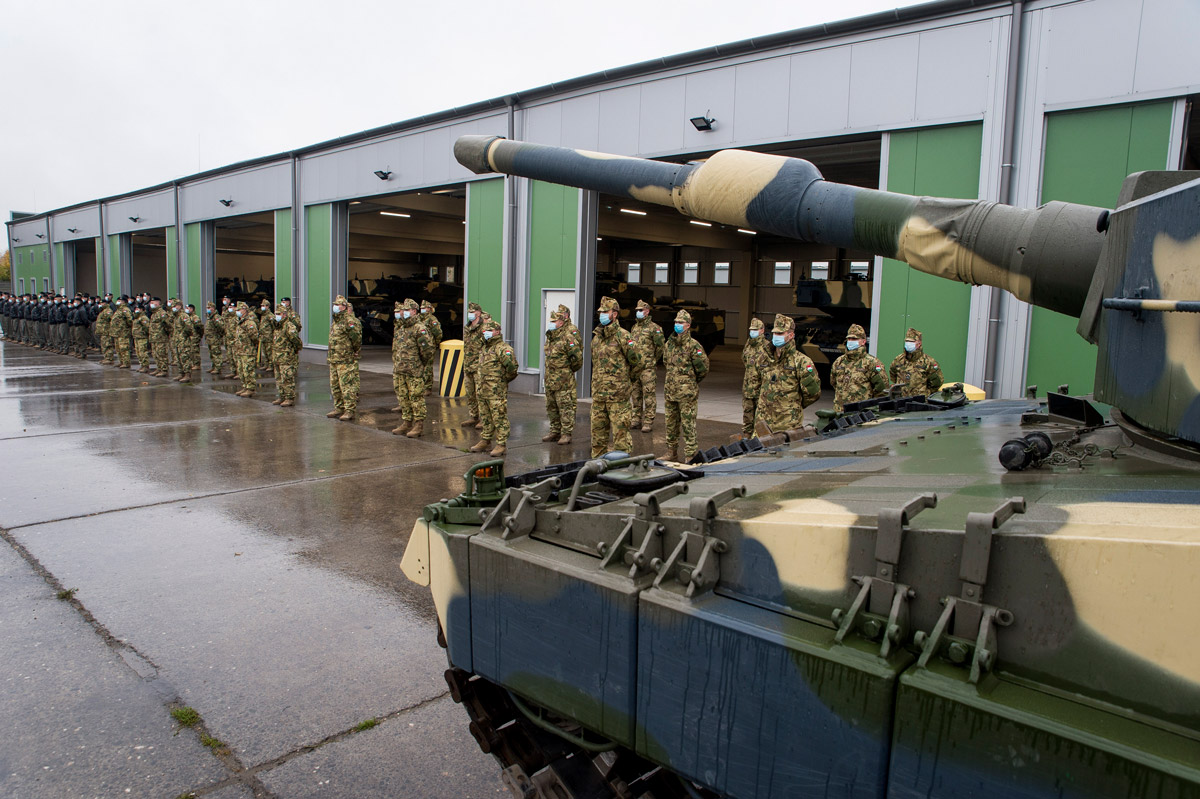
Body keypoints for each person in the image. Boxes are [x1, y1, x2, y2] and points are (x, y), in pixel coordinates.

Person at [590, 296, 642, 458]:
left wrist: (624, 382)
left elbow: (638, 363)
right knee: (597, 439)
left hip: (618, 398)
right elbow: (595, 363)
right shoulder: (597, 338)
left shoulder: (624, 336)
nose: (602, 315)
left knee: (621, 440)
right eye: (601, 312)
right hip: (599, 397)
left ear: (615, 314)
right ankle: (598, 470)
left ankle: (623, 473)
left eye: (606, 312)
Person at [757, 314, 822, 431]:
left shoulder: (801, 362)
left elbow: (813, 393)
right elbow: (757, 385)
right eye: (775, 333)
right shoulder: (764, 359)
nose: (776, 336)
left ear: (791, 335)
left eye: (780, 334)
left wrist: (792, 406)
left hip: (787, 425)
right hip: (762, 423)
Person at [662, 310, 710, 462]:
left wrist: (689, 383)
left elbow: (703, 369)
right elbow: (665, 362)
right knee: (670, 424)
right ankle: (671, 452)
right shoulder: (669, 344)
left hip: (686, 394)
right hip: (670, 392)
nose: (677, 325)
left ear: (688, 325)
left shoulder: (693, 346)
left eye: (681, 323)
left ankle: (690, 455)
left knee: (688, 425)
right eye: (676, 322)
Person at [470, 318, 518, 457]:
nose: (486, 333)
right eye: (485, 330)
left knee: (499, 417)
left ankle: (501, 444)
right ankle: (486, 440)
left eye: (489, 330)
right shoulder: (485, 347)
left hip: (495, 390)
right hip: (483, 389)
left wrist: (501, 382)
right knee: (485, 417)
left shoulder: (503, 349)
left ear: (497, 332)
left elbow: (512, 369)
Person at [390, 299, 434, 438]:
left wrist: (419, 364)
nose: (403, 313)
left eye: (407, 310)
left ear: (414, 311)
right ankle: (406, 422)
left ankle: (418, 424)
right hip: (400, 369)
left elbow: (427, 351)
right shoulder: (401, 328)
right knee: (403, 397)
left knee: (416, 398)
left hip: (414, 370)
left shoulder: (419, 328)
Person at [542, 304, 583, 445]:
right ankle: (554, 431)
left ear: (561, 322)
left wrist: (567, 371)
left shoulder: (568, 337)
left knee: (565, 407)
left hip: (564, 380)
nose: (551, 323)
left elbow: (577, 359)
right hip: (550, 379)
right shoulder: (550, 338)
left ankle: (566, 433)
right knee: (551, 406)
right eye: (551, 321)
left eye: (554, 321)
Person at [831, 323, 887, 412]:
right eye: (849, 338)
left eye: (854, 339)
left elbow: (881, 389)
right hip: (840, 412)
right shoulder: (839, 362)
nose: (851, 341)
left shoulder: (871, 363)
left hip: (861, 414)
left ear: (863, 341)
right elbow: (834, 383)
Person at [629, 299, 665, 433]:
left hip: (648, 368)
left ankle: (648, 421)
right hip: (635, 368)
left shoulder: (654, 328)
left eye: (641, 310)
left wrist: (652, 360)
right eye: (637, 310)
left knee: (649, 395)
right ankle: (636, 419)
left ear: (647, 311)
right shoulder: (635, 327)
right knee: (636, 395)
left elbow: (660, 347)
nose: (638, 312)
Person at [326, 294, 362, 421]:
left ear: (344, 307)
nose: (335, 307)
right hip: (334, 359)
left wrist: (352, 352)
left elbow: (356, 339)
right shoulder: (336, 321)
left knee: (347, 386)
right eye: (334, 305)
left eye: (337, 305)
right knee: (335, 386)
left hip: (345, 360)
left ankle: (349, 410)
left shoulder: (349, 321)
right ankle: (339, 408)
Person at [889, 327, 944, 396]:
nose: (908, 344)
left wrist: (925, 393)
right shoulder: (899, 360)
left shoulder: (928, 362)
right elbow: (893, 374)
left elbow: (937, 382)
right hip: (901, 400)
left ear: (919, 343)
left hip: (920, 402)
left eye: (911, 342)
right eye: (907, 341)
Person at [741, 318, 770, 438]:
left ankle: (760, 439)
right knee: (747, 414)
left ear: (762, 330)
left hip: (760, 389)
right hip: (748, 388)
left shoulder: (768, 346)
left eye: (755, 329)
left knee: (761, 417)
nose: (752, 332)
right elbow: (744, 359)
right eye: (751, 330)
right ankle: (747, 435)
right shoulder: (749, 344)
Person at [270, 303, 303, 406]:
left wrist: (294, 351)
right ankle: (281, 396)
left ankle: (289, 397)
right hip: (277, 356)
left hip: (286, 357)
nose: (277, 316)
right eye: (276, 314)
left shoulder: (288, 325)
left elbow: (296, 340)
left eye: (279, 314)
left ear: (284, 314)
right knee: (279, 378)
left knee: (287, 378)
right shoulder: (277, 326)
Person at [461, 302, 485, 428]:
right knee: (470, 393)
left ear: (478, 313)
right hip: (468, 365)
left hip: (479, 366)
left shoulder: (484, 328)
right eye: (469, 312)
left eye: (472, 312)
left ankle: (483, 418)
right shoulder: (467, 328)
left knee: (480, 394)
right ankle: (473, 416)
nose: (470, 314)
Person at [231, 301, 259, 397]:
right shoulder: (240, 322)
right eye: (237, 309)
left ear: (245, 310)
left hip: (248, 351)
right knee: (241, 370)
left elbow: (255, 337)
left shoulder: (249, 323)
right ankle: (245, 386)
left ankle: (251, 388)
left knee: (248, 370)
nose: (237, 311)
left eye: (239, 309)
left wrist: (250, 347)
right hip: (240, 351)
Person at [420, 299, 442, 395]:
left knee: (427, 367)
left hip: (429, 346)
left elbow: (438, 333)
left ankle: (427, 388)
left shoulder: (432, 319)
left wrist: (434, 343)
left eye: (424, 308)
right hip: (420, 346)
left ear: (429, 309)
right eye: (422, 308)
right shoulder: (418, 318)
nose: (423, 309)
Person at [109, 296, 133, 368]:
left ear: (124, 302)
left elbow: (130, 320)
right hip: (117, 333)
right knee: (118, 349)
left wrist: (126, 328)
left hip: (123, 333)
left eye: (120, 300)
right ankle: (121, 361)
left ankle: (126, 363)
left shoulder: (125, 310)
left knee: (124, 348)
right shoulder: (118, 310)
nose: (118, 301)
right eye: (118, 300)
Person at [149, 298, 171, 376]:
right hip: (154, 338)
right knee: (155, 354)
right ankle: (159, 368)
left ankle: (164, 370)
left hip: (161, 338)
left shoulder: (162, 313)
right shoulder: (154, 313)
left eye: (152, 302)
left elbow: (168, 325)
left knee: (161, 354)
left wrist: (165, 334)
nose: (150, 304)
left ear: (157, 303)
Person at [204, 302, 226, 375]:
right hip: (210, 339)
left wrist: (218, 335)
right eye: (207, 308)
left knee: (216, 353)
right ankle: (214, 366)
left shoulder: (216, 317)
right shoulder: (209, 317)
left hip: (215, 338)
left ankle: (218, 368)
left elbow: (221, 327)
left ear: (213, 308)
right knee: (212, 353)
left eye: (209, 308)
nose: (208, 309)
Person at [131, 304, 151, 372]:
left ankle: (145, 366)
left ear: (142, 309)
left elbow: (147, 327)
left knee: (143, 352)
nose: (136, 310)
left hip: (142, 337)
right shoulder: (136, 318)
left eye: (138, 309)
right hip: (136, 337)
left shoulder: (143, 318)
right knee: (138, 352)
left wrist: (144, 333)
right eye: (136, 308)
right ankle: (142, 365)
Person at [96, 298, 115, 365]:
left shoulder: (108, 311)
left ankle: (109, 358)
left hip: (106, 331)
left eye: (102, 303)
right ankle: (106, 357)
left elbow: (111, 320)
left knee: (107, 345)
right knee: (104, 345)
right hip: (103, 332)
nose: (101, 304)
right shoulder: (102, 311)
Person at [257, 299, 275, 373]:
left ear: (267, 306)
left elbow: (274, 326)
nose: (262, 307)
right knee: (265, 351)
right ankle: (266, 364)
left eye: (263, 305)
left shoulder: (270, 316)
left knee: (269, 351)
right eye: (261, 305)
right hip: (263, 336)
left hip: (268, 337)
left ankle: (271, 365)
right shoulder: (263, 315)